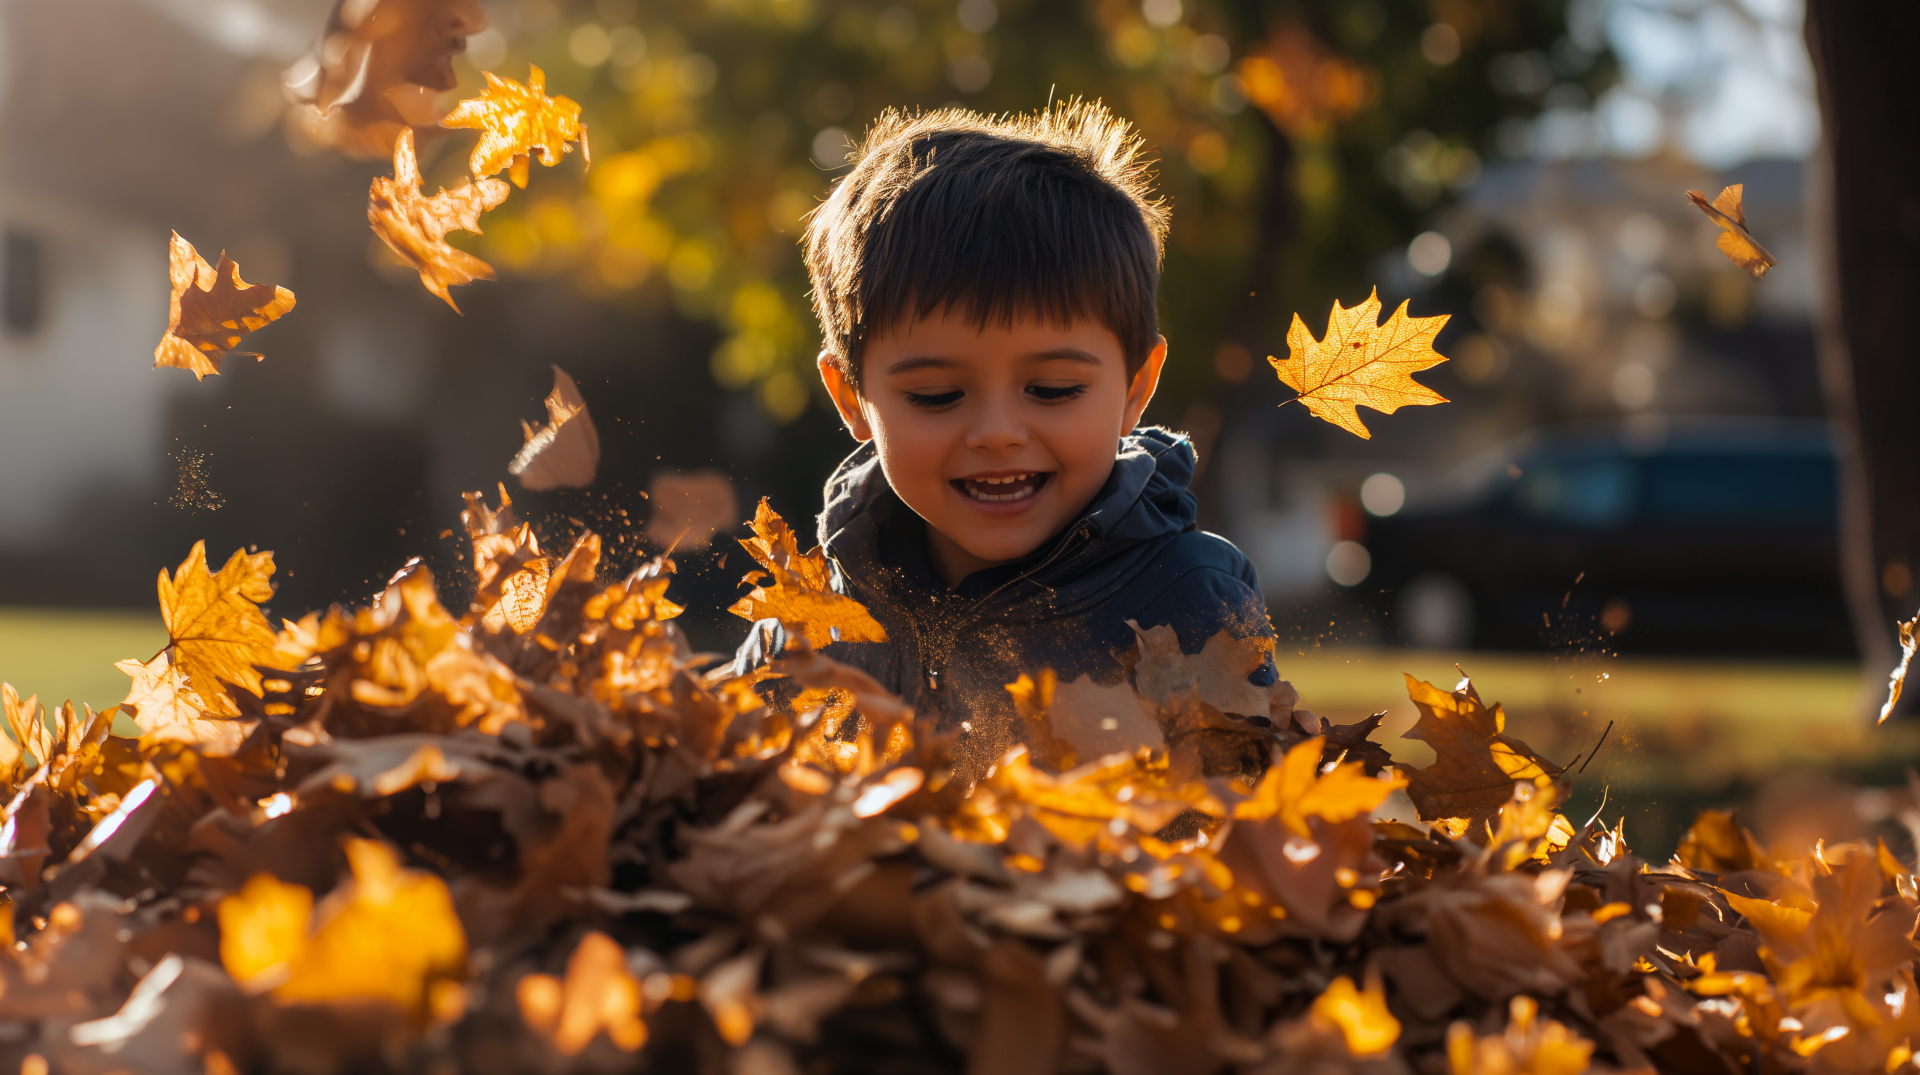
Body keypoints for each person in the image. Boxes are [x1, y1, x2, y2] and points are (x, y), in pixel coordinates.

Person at [733, 102, 1278, 777]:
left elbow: (1254, 846)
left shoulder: (1189, 601)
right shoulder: (809, 632)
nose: (996, 434)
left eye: (1052, 389)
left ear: (1136, 387)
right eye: (937, 396)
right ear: (853, 398)